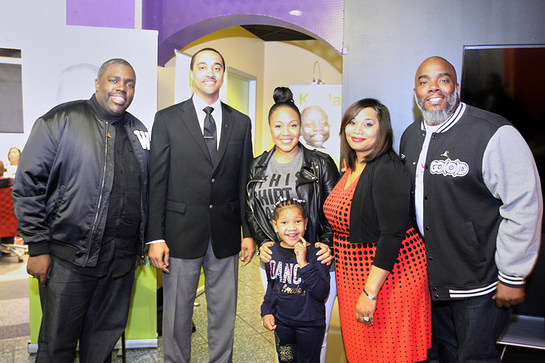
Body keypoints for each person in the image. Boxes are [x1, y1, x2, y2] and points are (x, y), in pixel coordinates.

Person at [400, 56, 543, 362]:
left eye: (443, 79)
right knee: (440, 355)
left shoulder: (493, 132)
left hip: (481, 283)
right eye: (424, 82)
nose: (433, 88)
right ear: (415, 93)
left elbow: (523, 206)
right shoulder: (411, 136)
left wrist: (512, 276)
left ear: (457, 87)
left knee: (474, 357)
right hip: (432, 282)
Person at [12, 58, 150, 362]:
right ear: (98, 83)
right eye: (114, 80)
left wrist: (139, 244)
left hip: (120, 262)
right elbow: (29, 184)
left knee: (102, 344)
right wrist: (38, 247)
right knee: (56, 345)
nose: (122, 89)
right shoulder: (60, 120)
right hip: (68, 260)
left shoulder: (138, 130)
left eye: (129, 83)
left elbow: (144, 192)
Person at [147, 47, 255, 363]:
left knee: (224, 313)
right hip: (179, 234)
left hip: (224, 234)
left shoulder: (241, 123)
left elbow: (243, 184)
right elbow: (157, 182)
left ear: (223, 74)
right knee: (177, 315)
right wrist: (155, 237)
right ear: (192, 74)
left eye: (217, 67)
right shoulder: (167, 120)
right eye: (203, 67)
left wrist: (248, 232)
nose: (210, 72)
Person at [323, 98, 431, 363]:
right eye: (352, 122)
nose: (357, 129)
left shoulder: (387, 169)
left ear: (382, 130)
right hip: (354, 278)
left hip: (390, 279)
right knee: (363, 353)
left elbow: (391, 236)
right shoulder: (351, 166)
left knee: (387, 355)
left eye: (368, 123)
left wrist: (370, 294)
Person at [246, 87, 339, 363]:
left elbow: (335, 210)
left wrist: (328, 243)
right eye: (278, 125)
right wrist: (263, 241)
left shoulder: (320, 164)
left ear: (301, 128)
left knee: (314, 338)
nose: (286, 132)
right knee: (282, 335)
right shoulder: (257, 167)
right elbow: (252, 211)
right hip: (275, 262)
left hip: (314, 262)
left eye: (293, 125)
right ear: (270, 128)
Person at [261, 198, 330, 363]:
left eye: (297, 221)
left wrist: (304, 264)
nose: (291, 228)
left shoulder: (316, 254)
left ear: (305, 223)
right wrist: (266, 311)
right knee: (286, 359)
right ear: (275, 225)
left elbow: (321, 293)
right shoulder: (272, 253)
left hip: (310, 325)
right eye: (284, 222)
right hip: (282, 324)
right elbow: (272, 287)